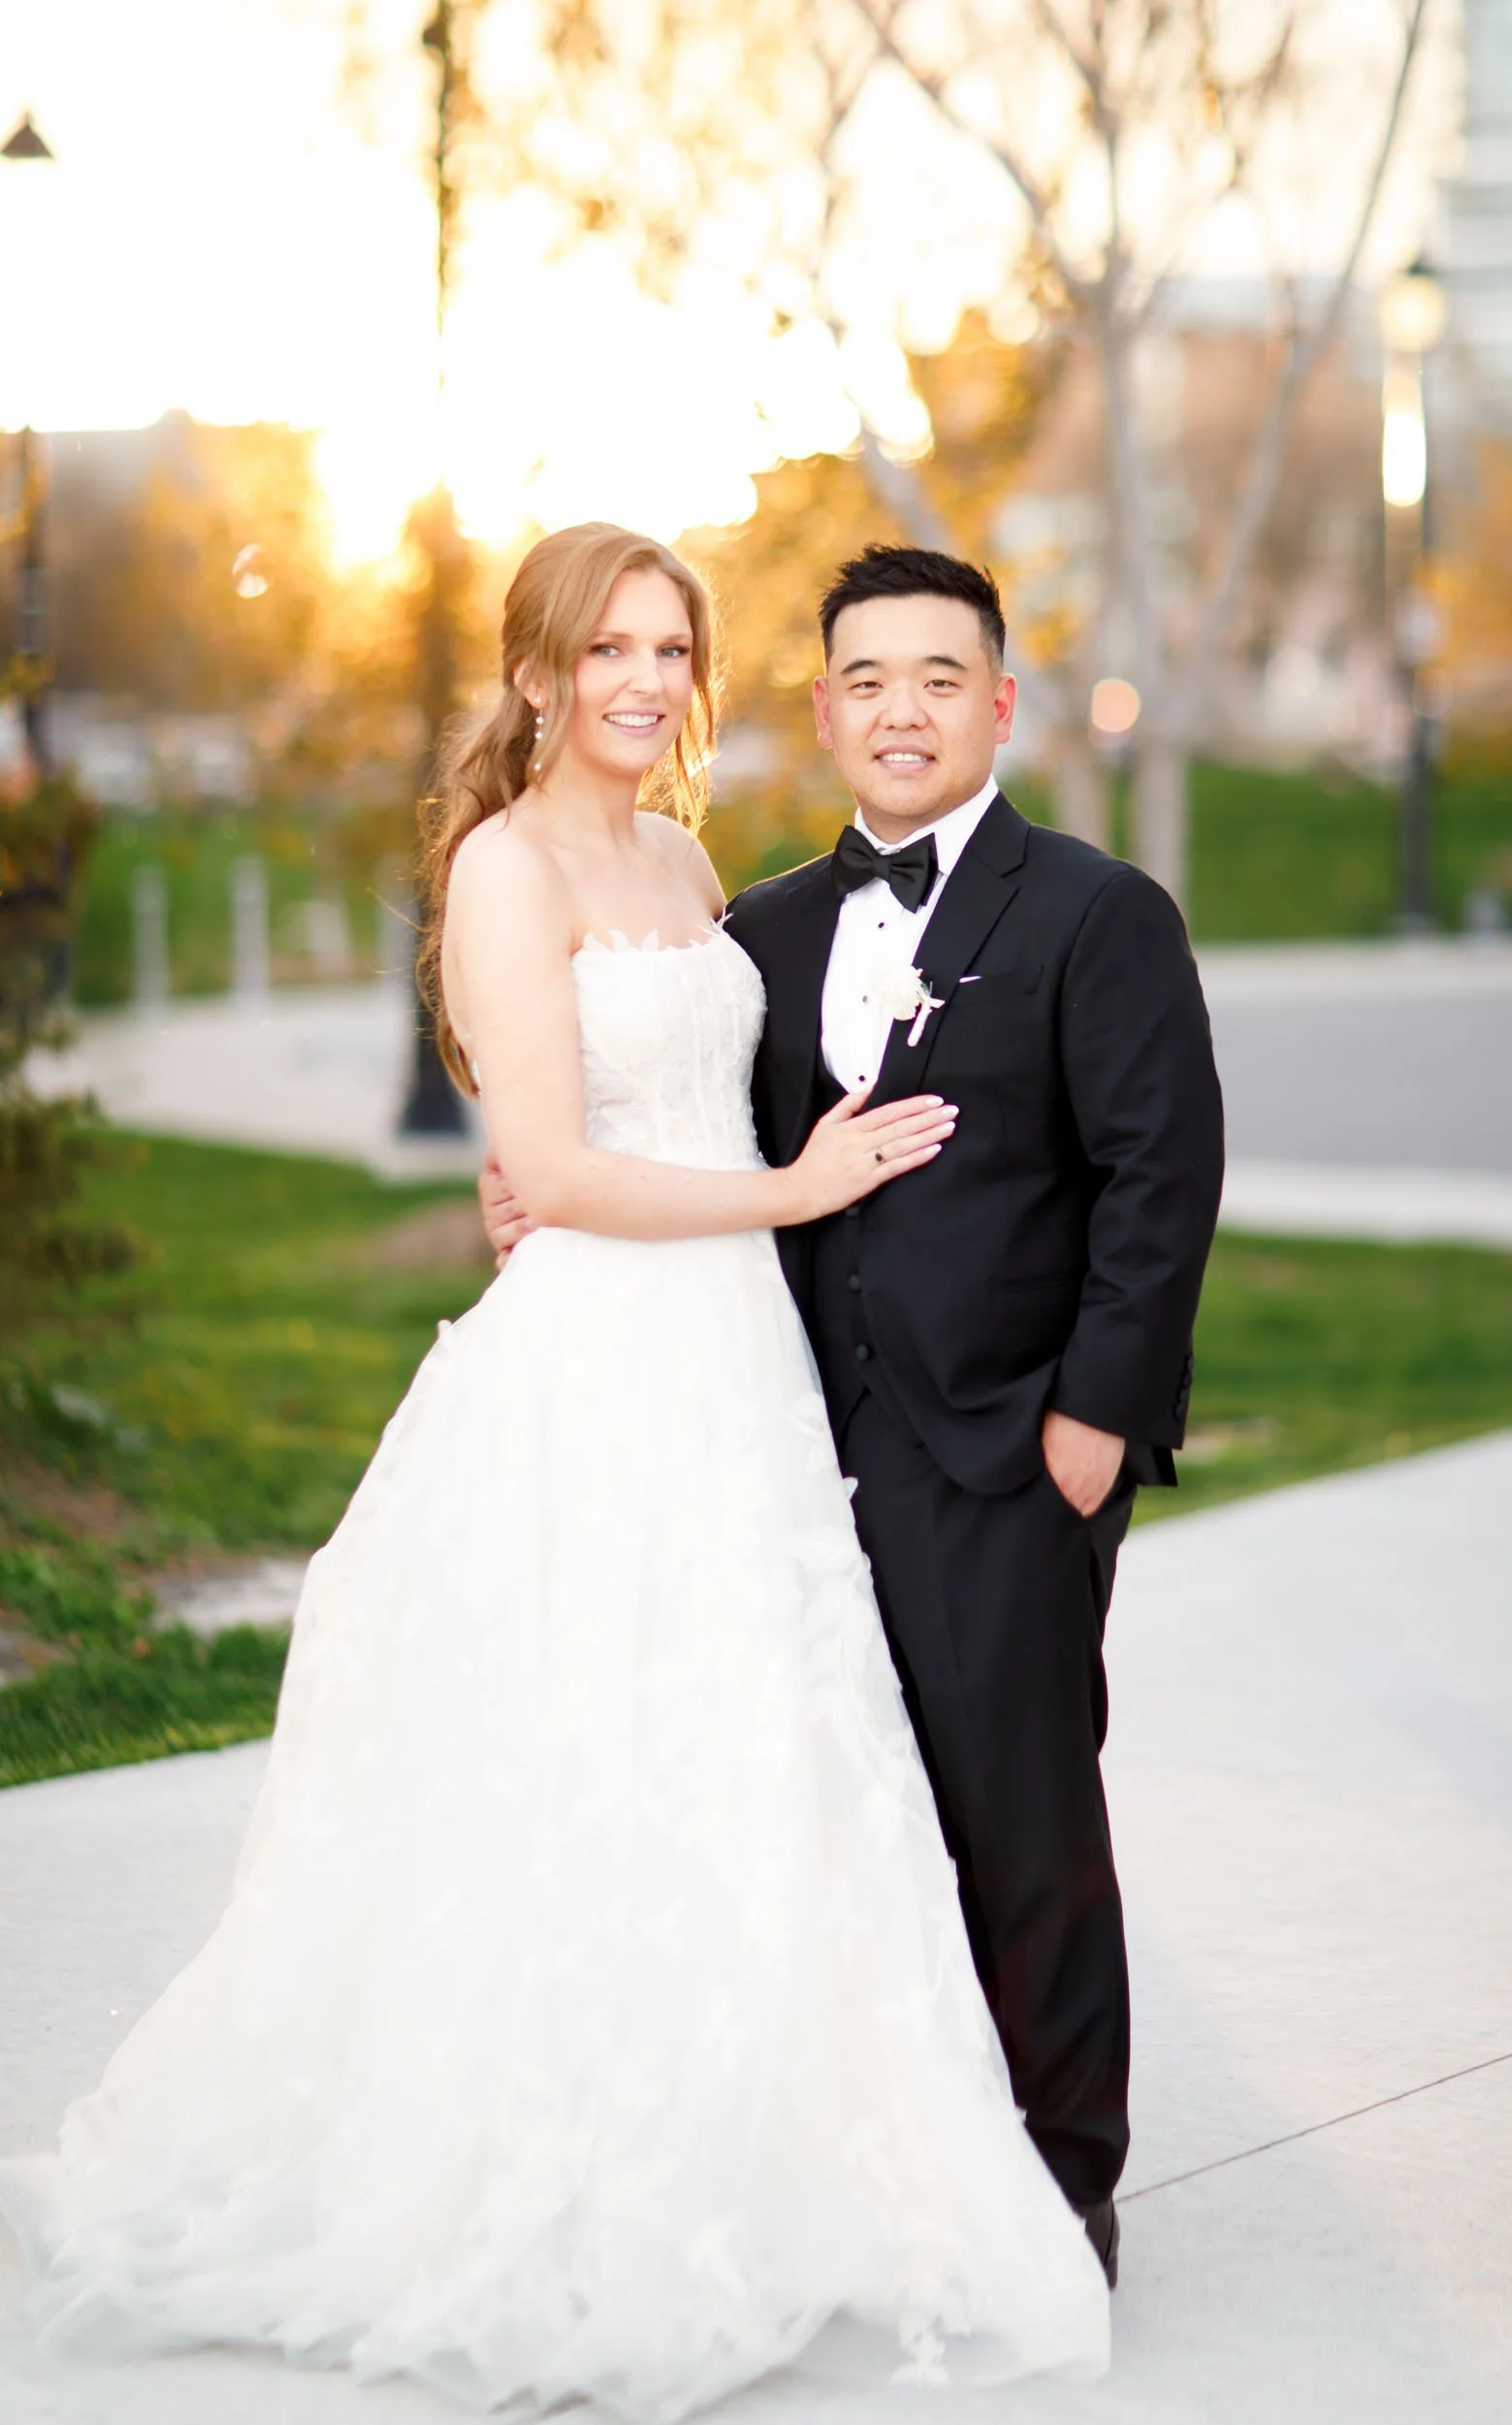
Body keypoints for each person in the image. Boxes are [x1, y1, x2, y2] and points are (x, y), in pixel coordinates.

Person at [0, 525, 1110, 2420]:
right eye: (606, 647)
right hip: (602, 1361)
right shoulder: (504, 872)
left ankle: (757, 2172)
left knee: (753, 1761)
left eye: (671, 648)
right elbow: (563, 1163)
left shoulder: (681, 860)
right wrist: (790, 1187)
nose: (645, 679)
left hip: (734, 1373)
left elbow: (706, 1075)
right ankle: (559, 2177)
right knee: (583, 1759)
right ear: (532, 674)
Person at [484, 542, 1226, 2287]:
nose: (901, 712)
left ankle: (1063, 2191)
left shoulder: (1094, 912)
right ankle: (902, 2166)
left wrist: (1093, 1427)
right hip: (779, 1445)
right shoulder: (759, 927)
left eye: (938, 679)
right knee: (839, 1820)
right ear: (820, 709)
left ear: (998, 702)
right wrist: (537, 1193)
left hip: (1003, 1454)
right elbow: (681, 1142)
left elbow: (1158, 1180)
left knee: (1022, 1822)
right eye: (866, 682)